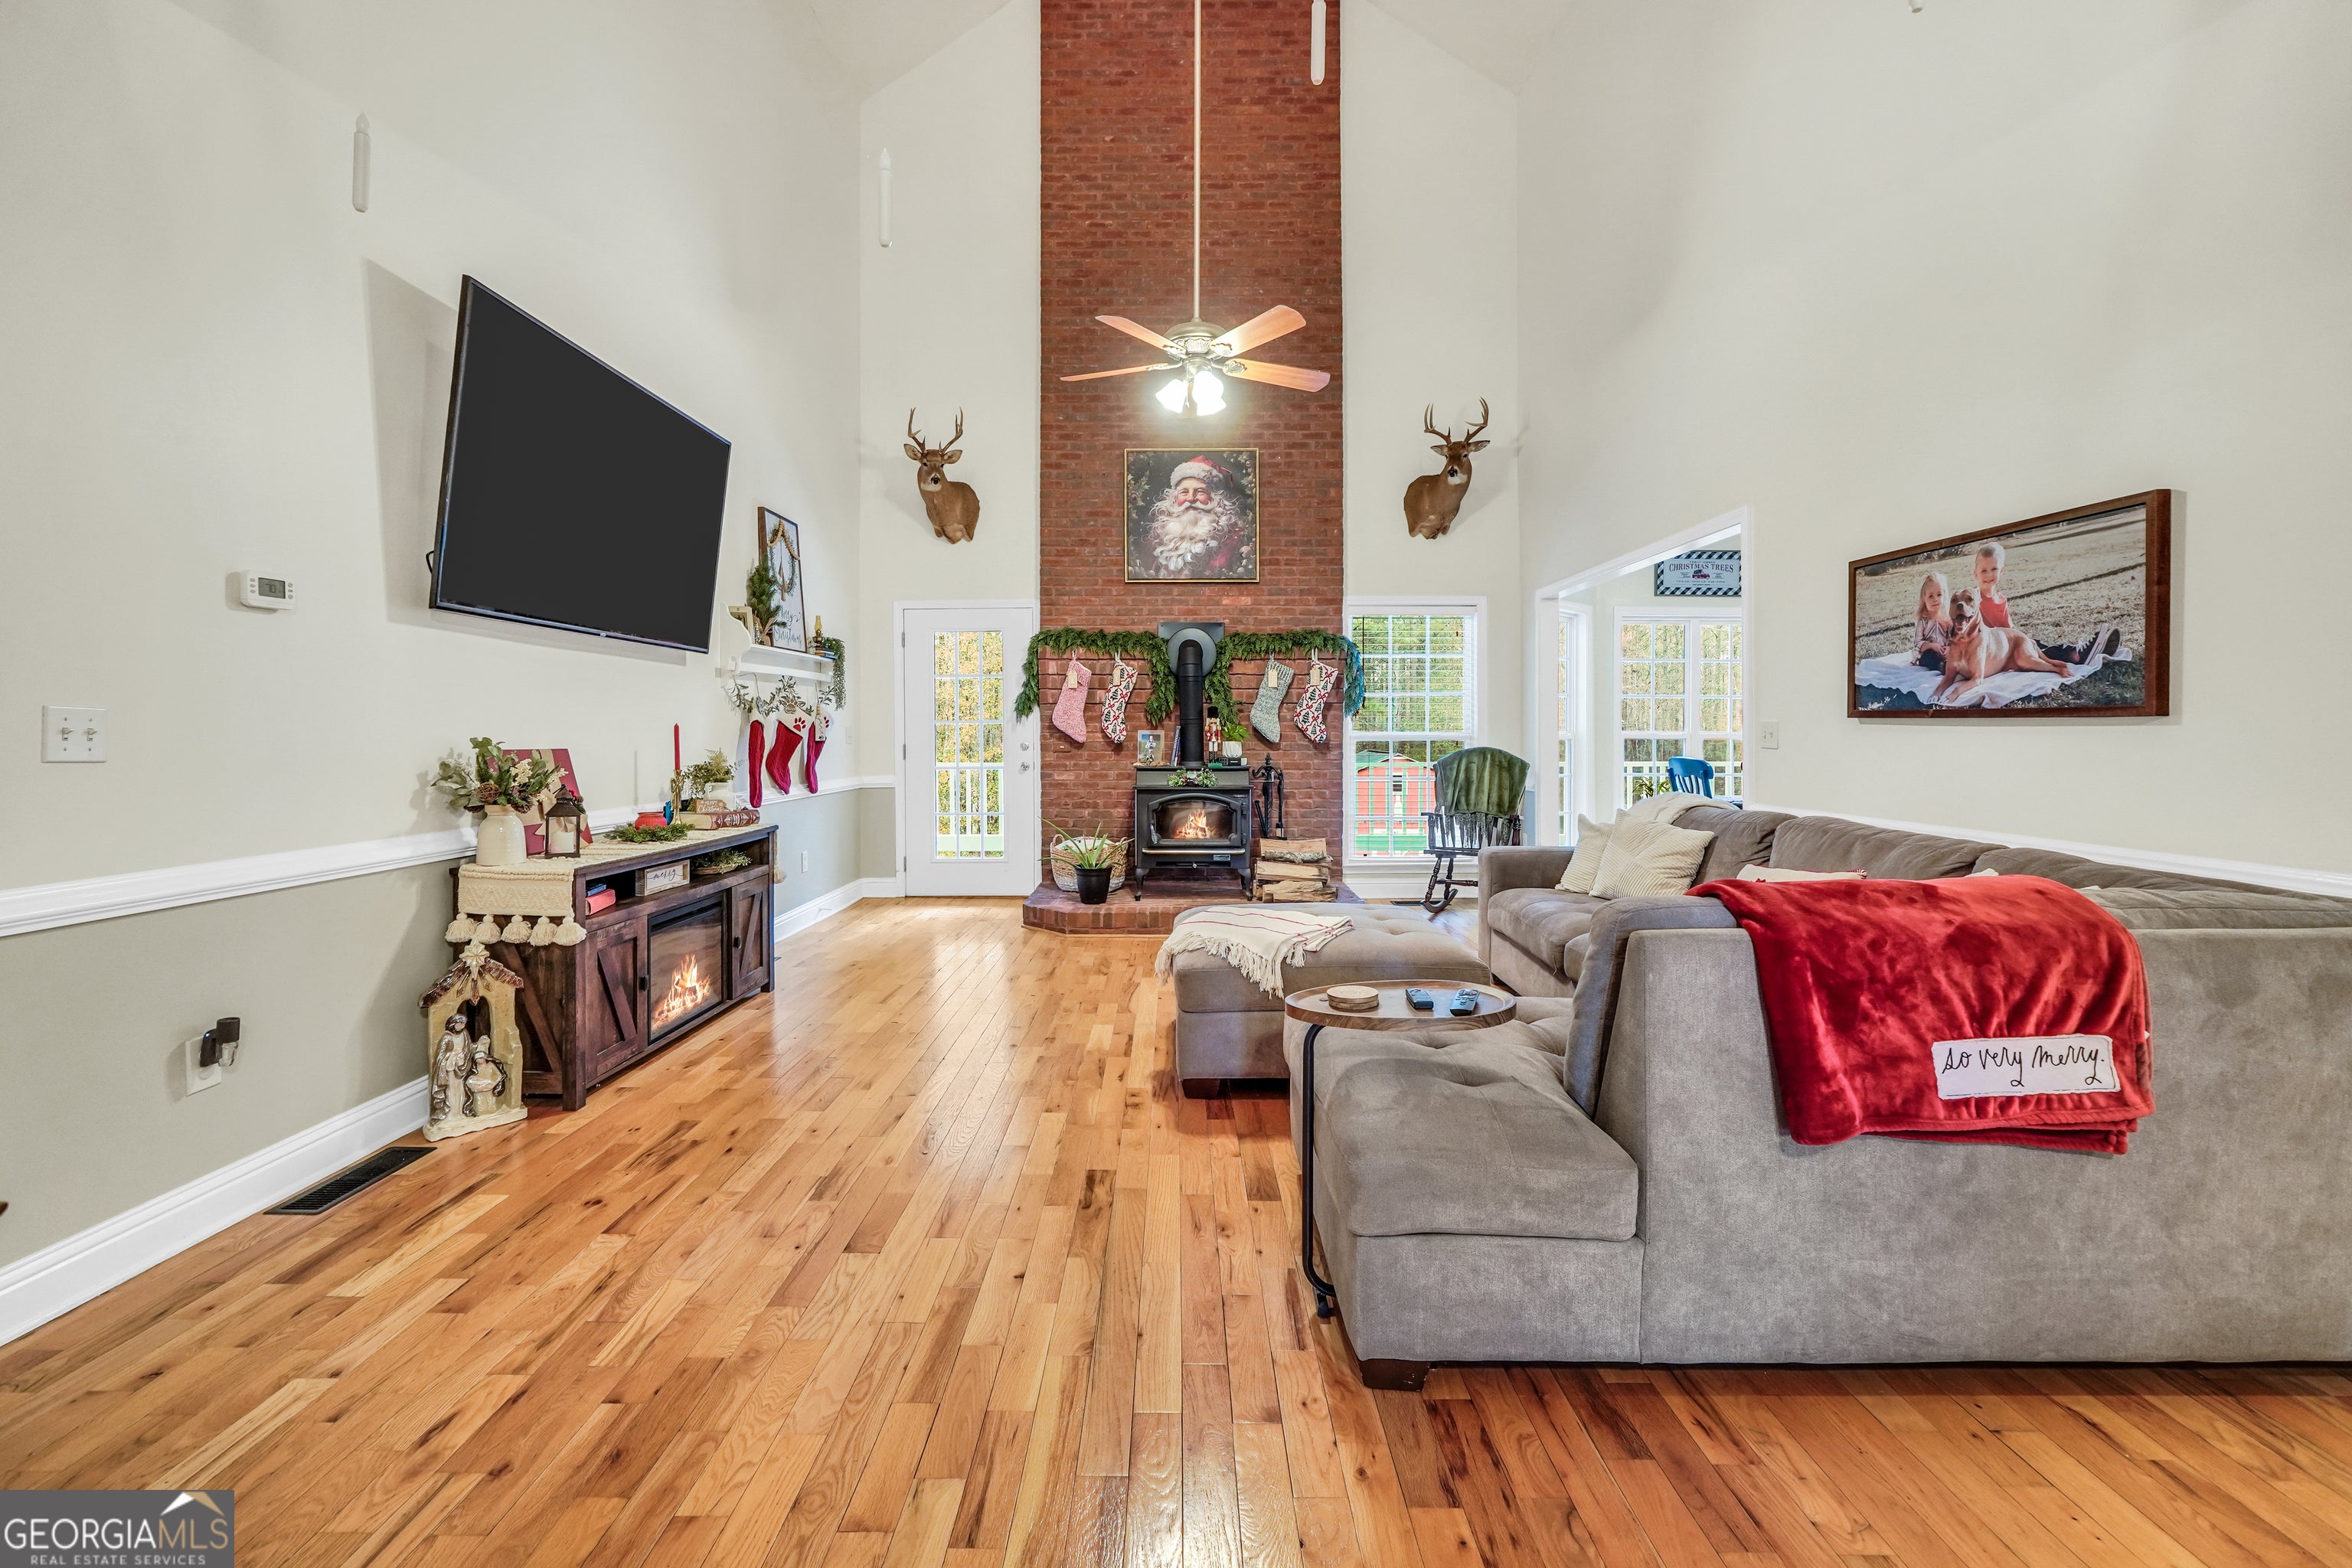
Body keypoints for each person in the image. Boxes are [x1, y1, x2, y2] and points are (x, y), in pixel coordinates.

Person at [1134, 456, 1254, 579]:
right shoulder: (1157, 538)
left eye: (1200, 491)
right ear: (1174, 498)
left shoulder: (1234, 539)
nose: (1191, 498)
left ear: (1215, 498)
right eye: (1184, 492)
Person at [1912, 571, 1952, 671]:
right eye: (1931, 596)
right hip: (1929, 654)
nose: (1935, 599)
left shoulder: (1949, 620)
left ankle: (1948, 665)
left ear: (1945, 596)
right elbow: (1917, 644)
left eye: (1939, 595)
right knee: (1930, 657)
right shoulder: (1923, 622)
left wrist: (1950, 649)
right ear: (1924, 600)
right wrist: (1931, 646)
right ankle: (1941, 667)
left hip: (1946, 654)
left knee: (1957, 653)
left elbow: (1954, 640)